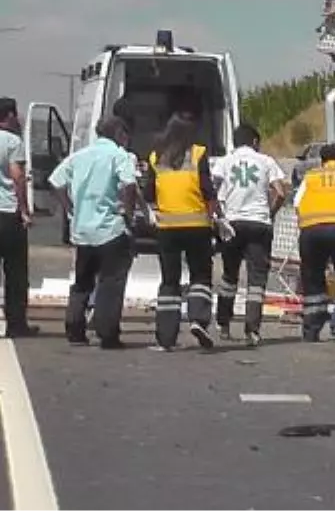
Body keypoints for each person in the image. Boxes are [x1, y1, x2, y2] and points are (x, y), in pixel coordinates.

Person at [49, 117, 138, 348]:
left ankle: (75, 329)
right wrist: (129, 214)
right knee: (111, 282)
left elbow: (56, 181)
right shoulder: (119, 156)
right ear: (118, 132)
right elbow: (129, 185)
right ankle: (107, 334)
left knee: (82, 282)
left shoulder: (79, 156)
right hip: (110, 229)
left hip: (82, 230)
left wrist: (70, 209)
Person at [145, 112, 223, 351]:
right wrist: (218, 217)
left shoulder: (156, 157)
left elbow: (149, 194)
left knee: (170, 281)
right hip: (197, 225)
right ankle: (198, 320)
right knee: (200, 276)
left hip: (167, 227)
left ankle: (166, 337)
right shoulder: (198, 153)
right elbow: (207, 189)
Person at [211, 124, 286, 347]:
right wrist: (269, 213)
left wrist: (220, 217)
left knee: (229, 275)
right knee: (256, 280)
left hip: (233, 223)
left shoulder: (223, 162)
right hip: (259, 223)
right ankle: (252, 330)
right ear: (255, 141)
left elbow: (212, 192)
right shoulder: (266, 161)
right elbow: (281, 192)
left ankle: (223, 324)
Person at [293, 144, 335, 343]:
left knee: (312, 279)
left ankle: (311, 329)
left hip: (311, 230)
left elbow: (297, 203)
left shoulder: (312, 176)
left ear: (322, 161)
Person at [0, 97, 37, 338]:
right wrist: (24, 209)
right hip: (7, 213)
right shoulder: (13, 141)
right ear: (10, 116)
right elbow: (17, 177)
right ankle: (16, 324)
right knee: (15, 271)